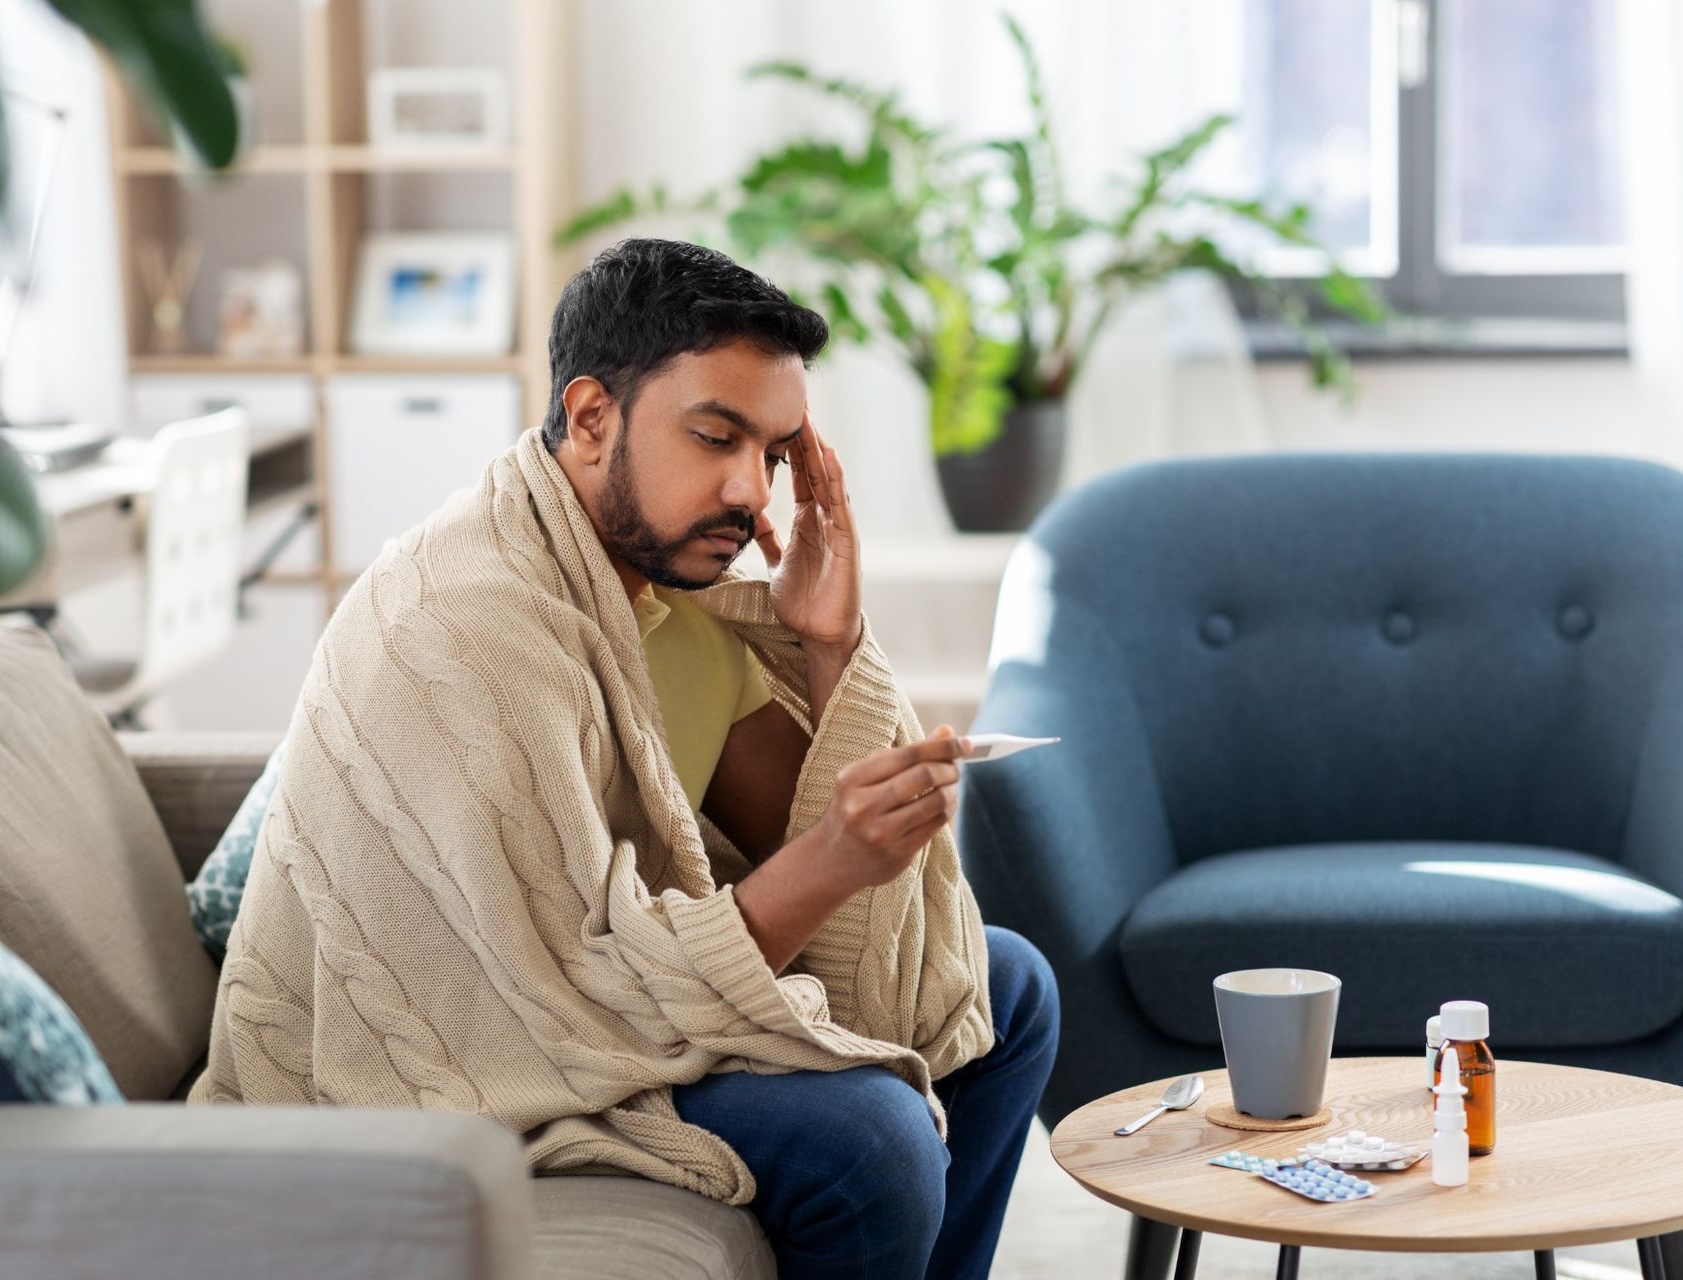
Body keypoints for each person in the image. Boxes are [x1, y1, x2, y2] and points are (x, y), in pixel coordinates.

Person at [193, 238, 1059, 1279]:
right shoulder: (469, 622)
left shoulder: (679, 603)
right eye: (715, 436)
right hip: (460, 1058)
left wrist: (829, 643)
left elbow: (819, 852)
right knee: (868, 1137)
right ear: (593, 415)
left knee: (1009, 990)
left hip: (613, 992)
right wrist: (836, 851)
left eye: (776, 454)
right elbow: (554, 988)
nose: (752, 490)